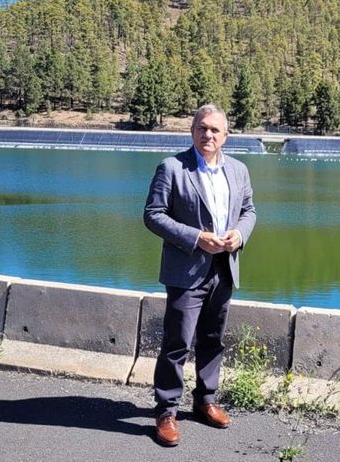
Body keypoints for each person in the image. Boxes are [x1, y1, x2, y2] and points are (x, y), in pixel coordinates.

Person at [143, 104, 256, 447]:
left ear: (226, 136)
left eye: (214, 130)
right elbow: (153, 215)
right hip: (186, 270)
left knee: (212, 339)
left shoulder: (238, 170)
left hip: (224, 268)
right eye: (202, 128)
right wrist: (196, 238)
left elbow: (249, 211)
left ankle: (205, 400)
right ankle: (166, 411)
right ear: (192, 131)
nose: (208, 134)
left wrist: (239, 235)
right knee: (177, 342)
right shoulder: (172, 168)